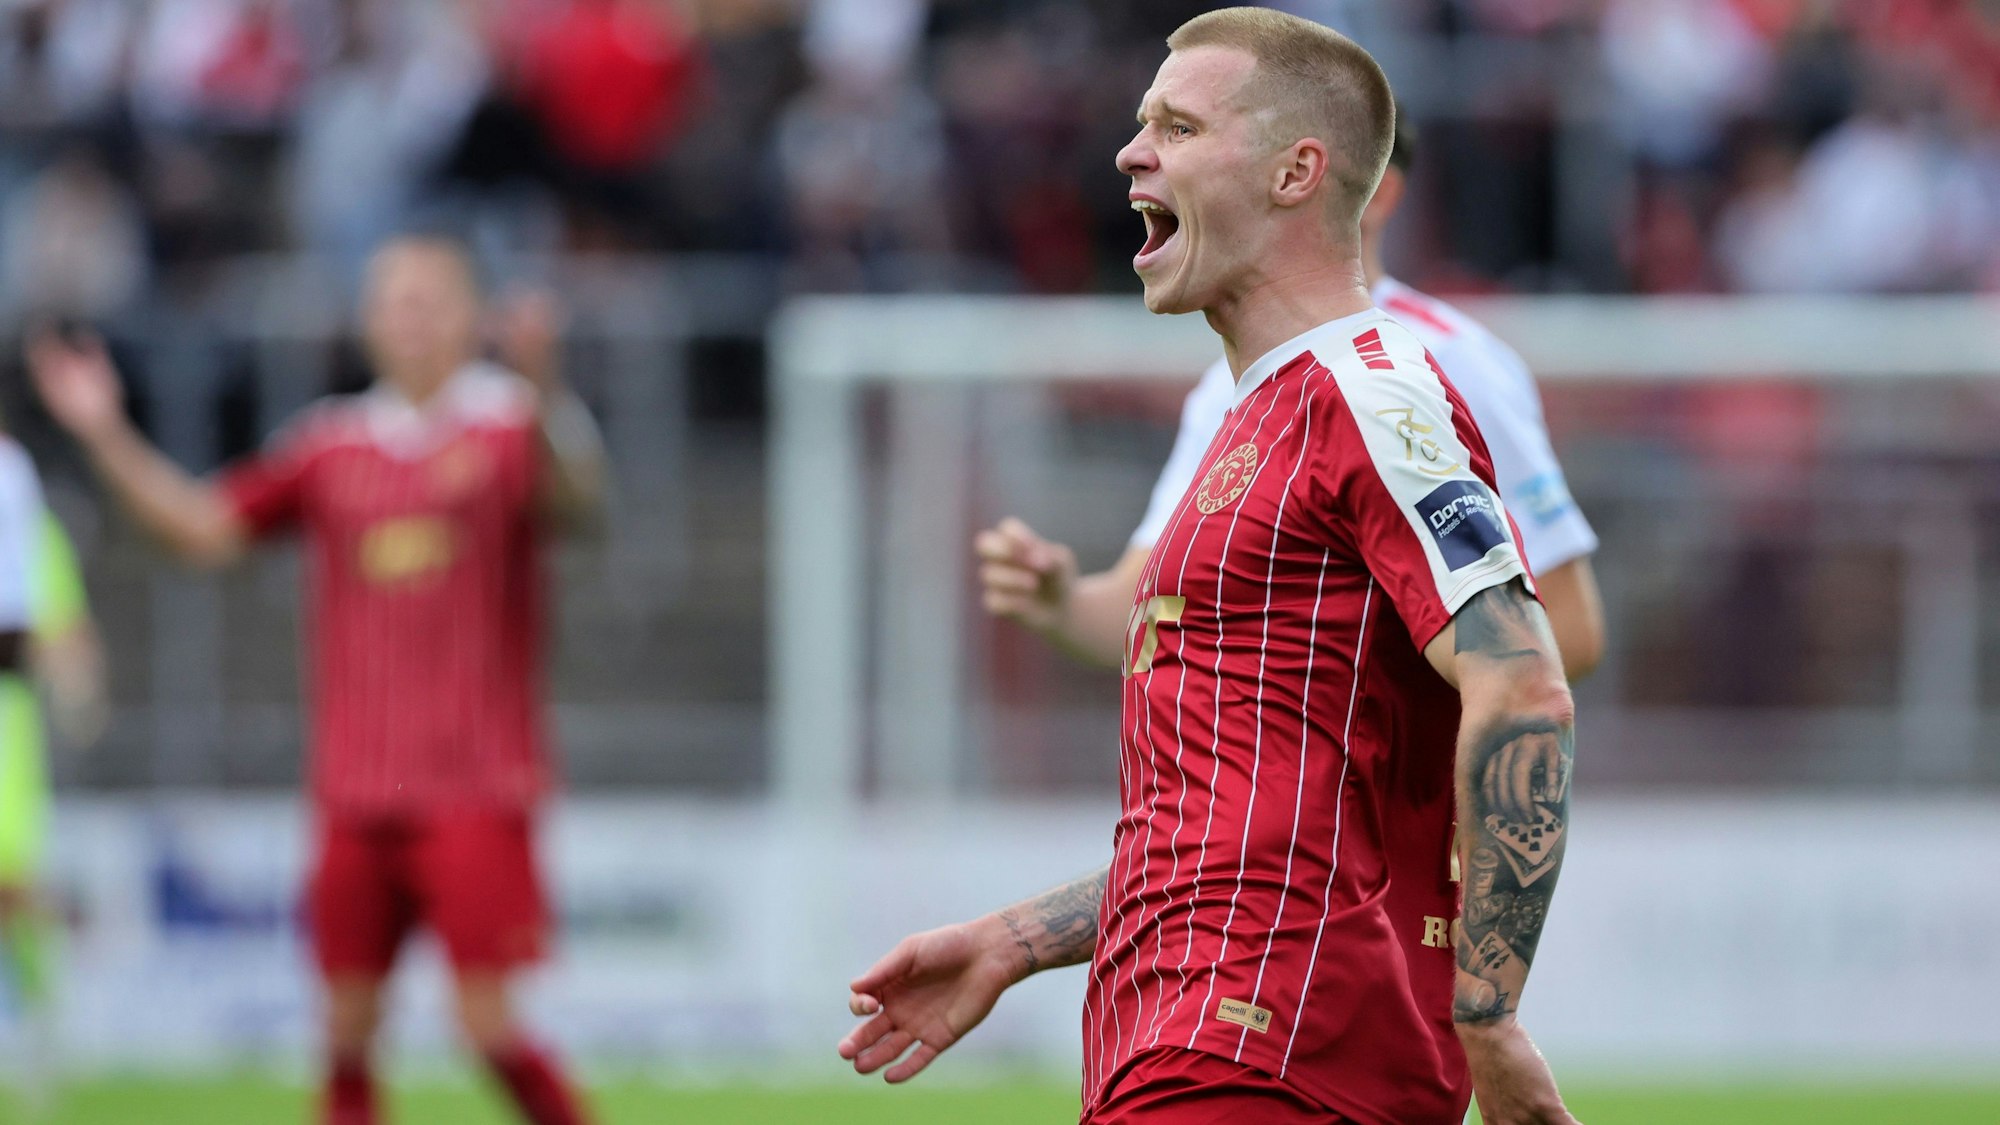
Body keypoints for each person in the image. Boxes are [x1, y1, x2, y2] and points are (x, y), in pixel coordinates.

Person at [839, 10, 1581, 1125]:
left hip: (1260, 1045)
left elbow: (1522, 681)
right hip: (1205, 1039)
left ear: (1296, 172)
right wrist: (1016, 939)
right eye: (1142, 125)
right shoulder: (1250, 417)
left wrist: (1488, 1014)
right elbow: (1264, 827)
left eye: (1177, 126)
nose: (1132, 154)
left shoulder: (1371, 397)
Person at [26, 236, 606, 1125]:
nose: (409, 318)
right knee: (342, 1033)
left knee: (485, 1023)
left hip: (478, 783)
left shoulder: (510, 425)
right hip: (354, 786)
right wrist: (103, 427)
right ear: (367, 319)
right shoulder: (331, 444)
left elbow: (576, 505)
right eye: (393, 300)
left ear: (470, 318)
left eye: (429, 300)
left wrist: (546, 390)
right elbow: (200, 529)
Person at [976, 111, 1603, 681]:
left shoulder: (1454, 362)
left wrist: (1345, 712)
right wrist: (1061, 604)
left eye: (1297, 172)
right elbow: (1150, 611)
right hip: (1241, 806)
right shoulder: (1226, 382)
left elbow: (1565, 633)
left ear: (1377, 194)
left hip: (1365, 802)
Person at [0, 446, 107, 1118]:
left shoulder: (20, 509)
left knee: (11, 888)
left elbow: (60, 622)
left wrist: (77, 683)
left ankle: (38, 1036)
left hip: (5, 726)